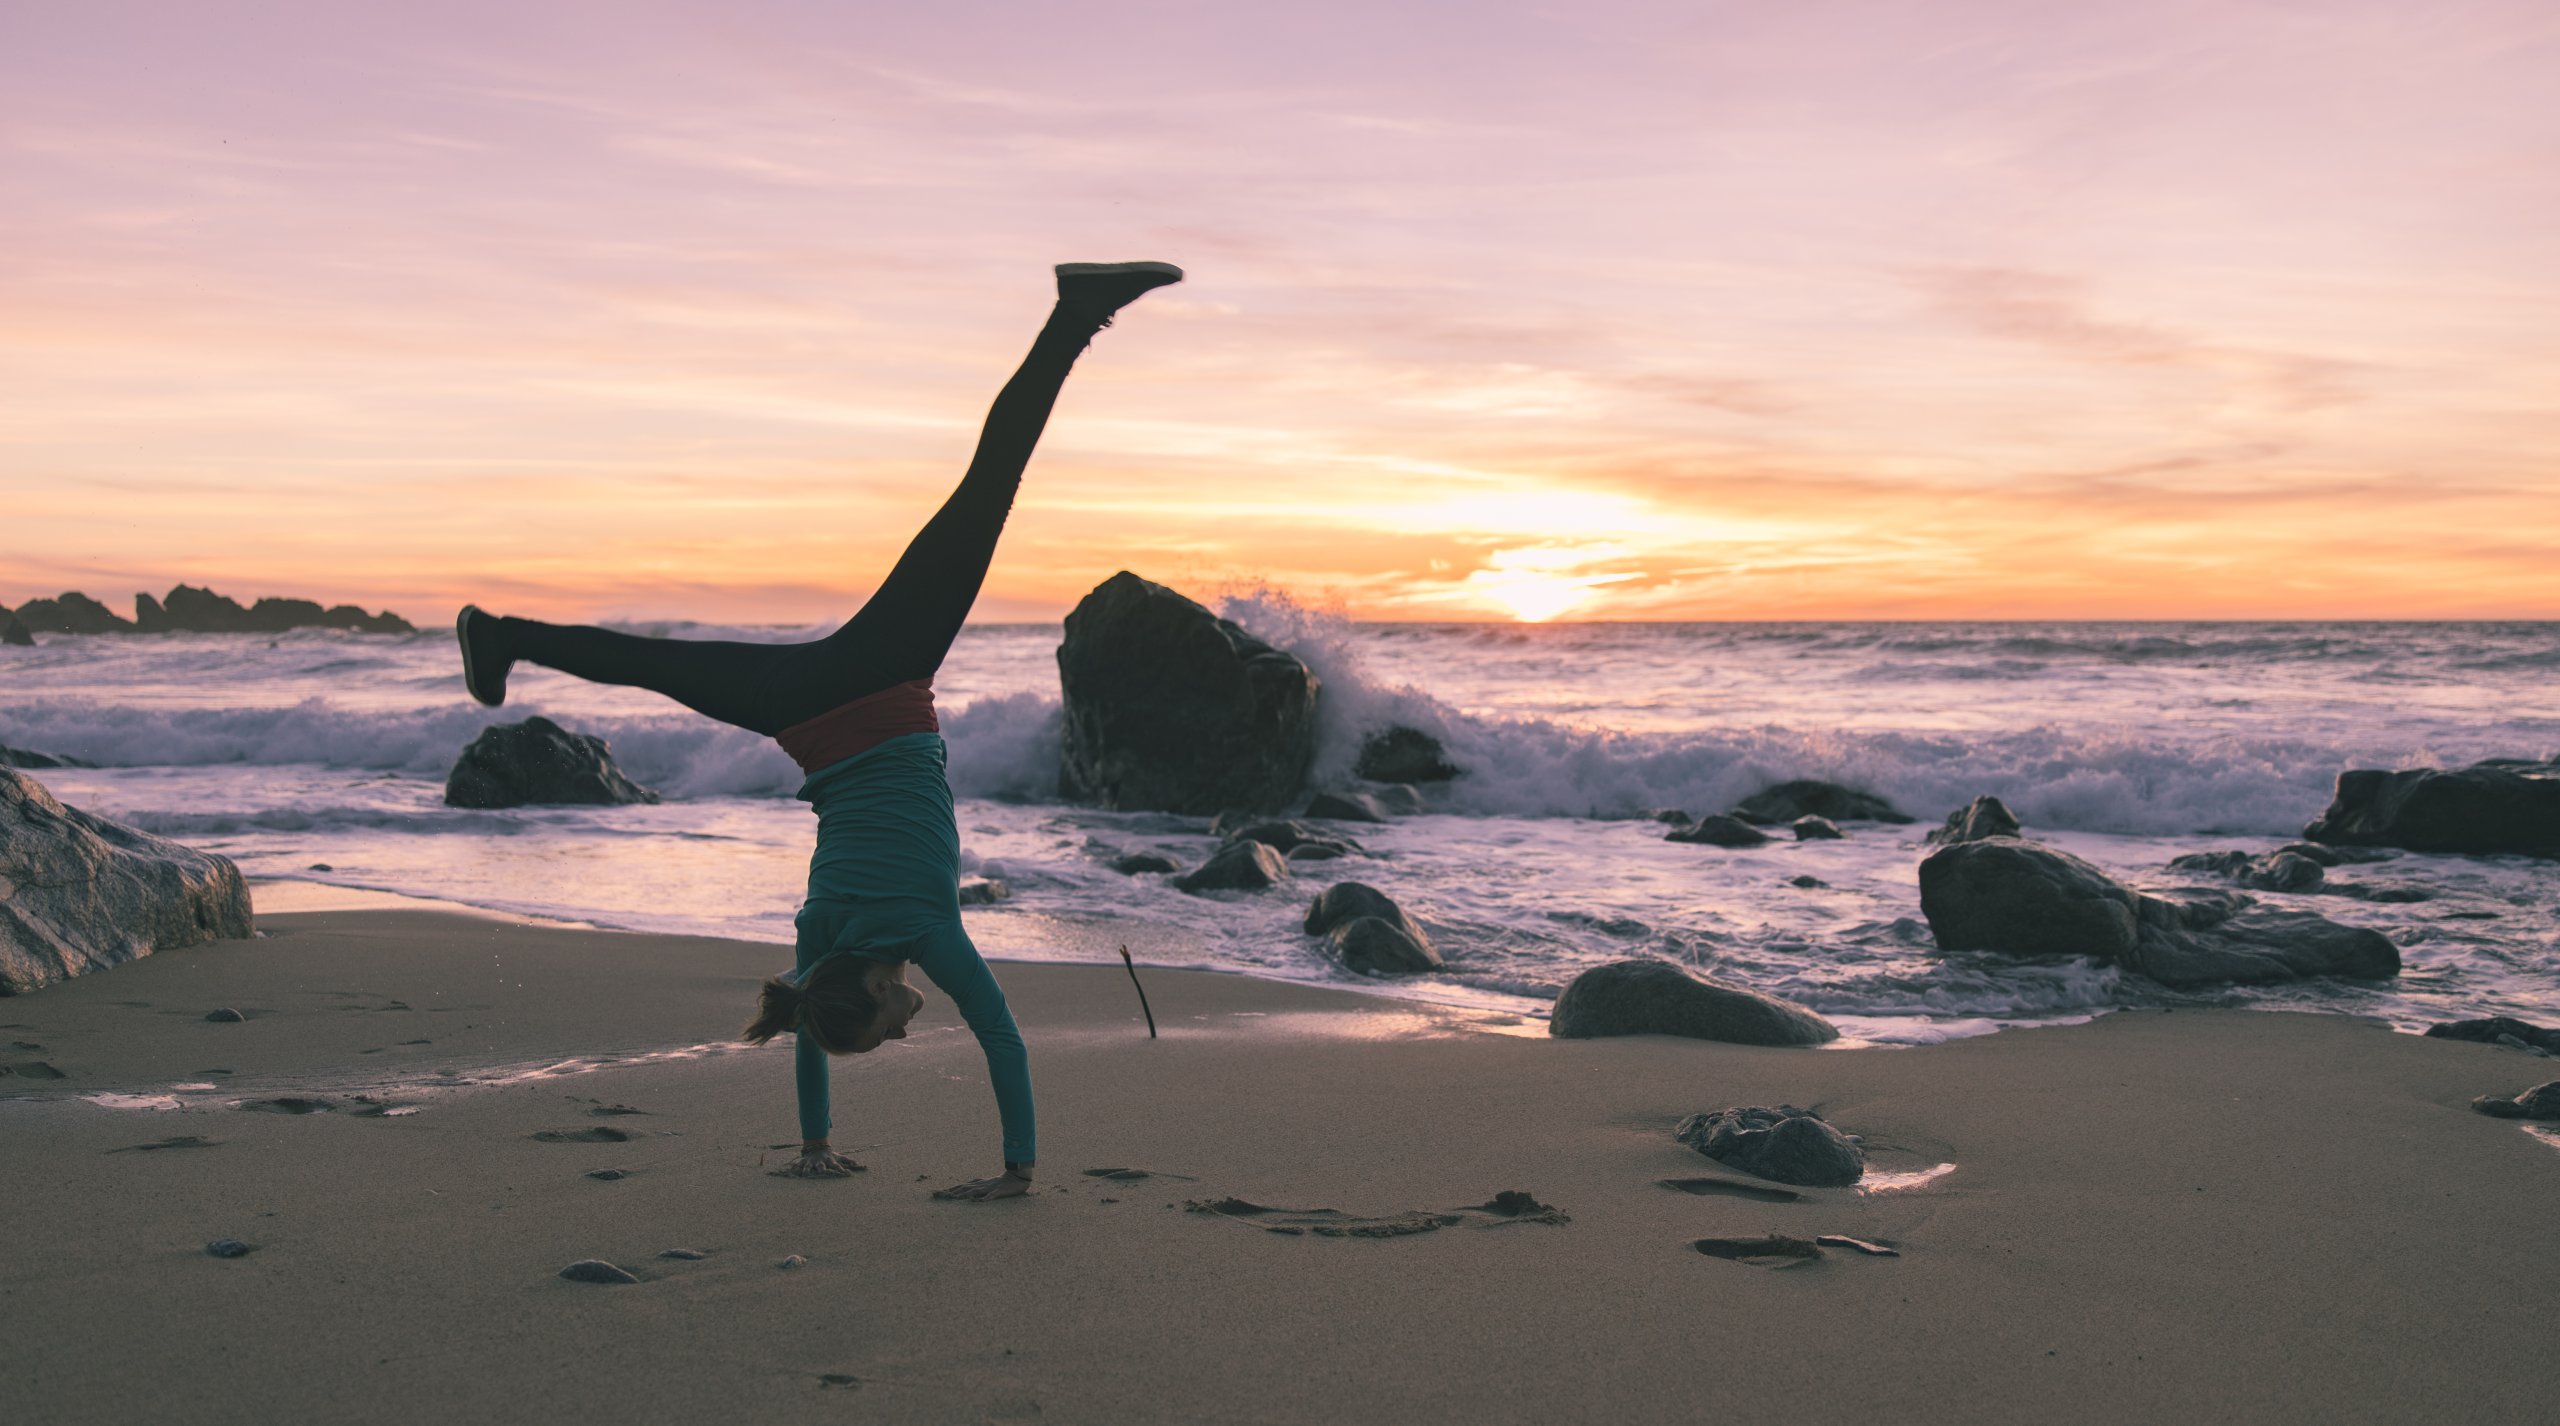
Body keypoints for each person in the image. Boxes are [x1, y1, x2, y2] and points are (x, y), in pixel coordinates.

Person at [451, 261, 1183, 1199]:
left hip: (882, 678)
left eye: (886, 1028)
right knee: (651, 661)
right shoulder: (820, 935)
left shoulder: (929, 933)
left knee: (990, 485)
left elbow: (1001, 1039)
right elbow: (805, 1018)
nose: (907, 1029)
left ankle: (1077, 312)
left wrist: (1017, 1172)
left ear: (877, 988)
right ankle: (504, 635)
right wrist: (811, 1142)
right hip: (798, 710)